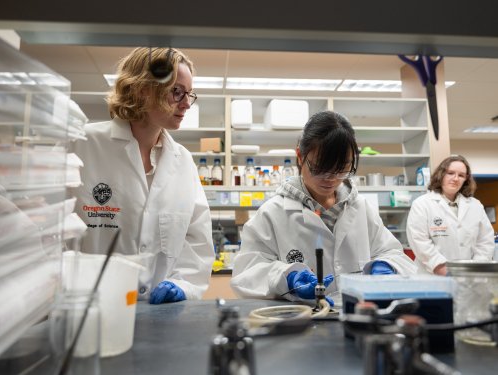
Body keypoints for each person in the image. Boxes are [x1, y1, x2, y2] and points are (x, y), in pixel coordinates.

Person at [71, 47, 215, 303]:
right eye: (176, 91)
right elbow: (56, 233)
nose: (186, 104)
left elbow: (196, 240)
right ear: (142, 89)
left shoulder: (183, 162)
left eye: (189, 94)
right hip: (92, 310)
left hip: (162, 317)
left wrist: (181, 283)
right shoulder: (84, 144)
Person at [230, 110, 417, 305]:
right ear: (300, 156)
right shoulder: (273, 212)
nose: (331, 178)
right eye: (320, 167)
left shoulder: (361, 208)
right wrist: (286, 277)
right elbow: (246, 274)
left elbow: (393, 253)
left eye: (342, 168)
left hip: (358, 316)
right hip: (302, 322)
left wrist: (386, 265)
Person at [407, 155, 494, 275]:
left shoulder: (475, 205)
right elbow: (419, 241)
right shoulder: (422, 204)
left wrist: (476, 267)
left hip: (469, 277)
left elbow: (485, 241)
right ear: (441, 174)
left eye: (461, 175)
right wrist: (441, 268)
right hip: (432, 276)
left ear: (466, 179)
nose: (455, 178)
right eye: (450, 173)